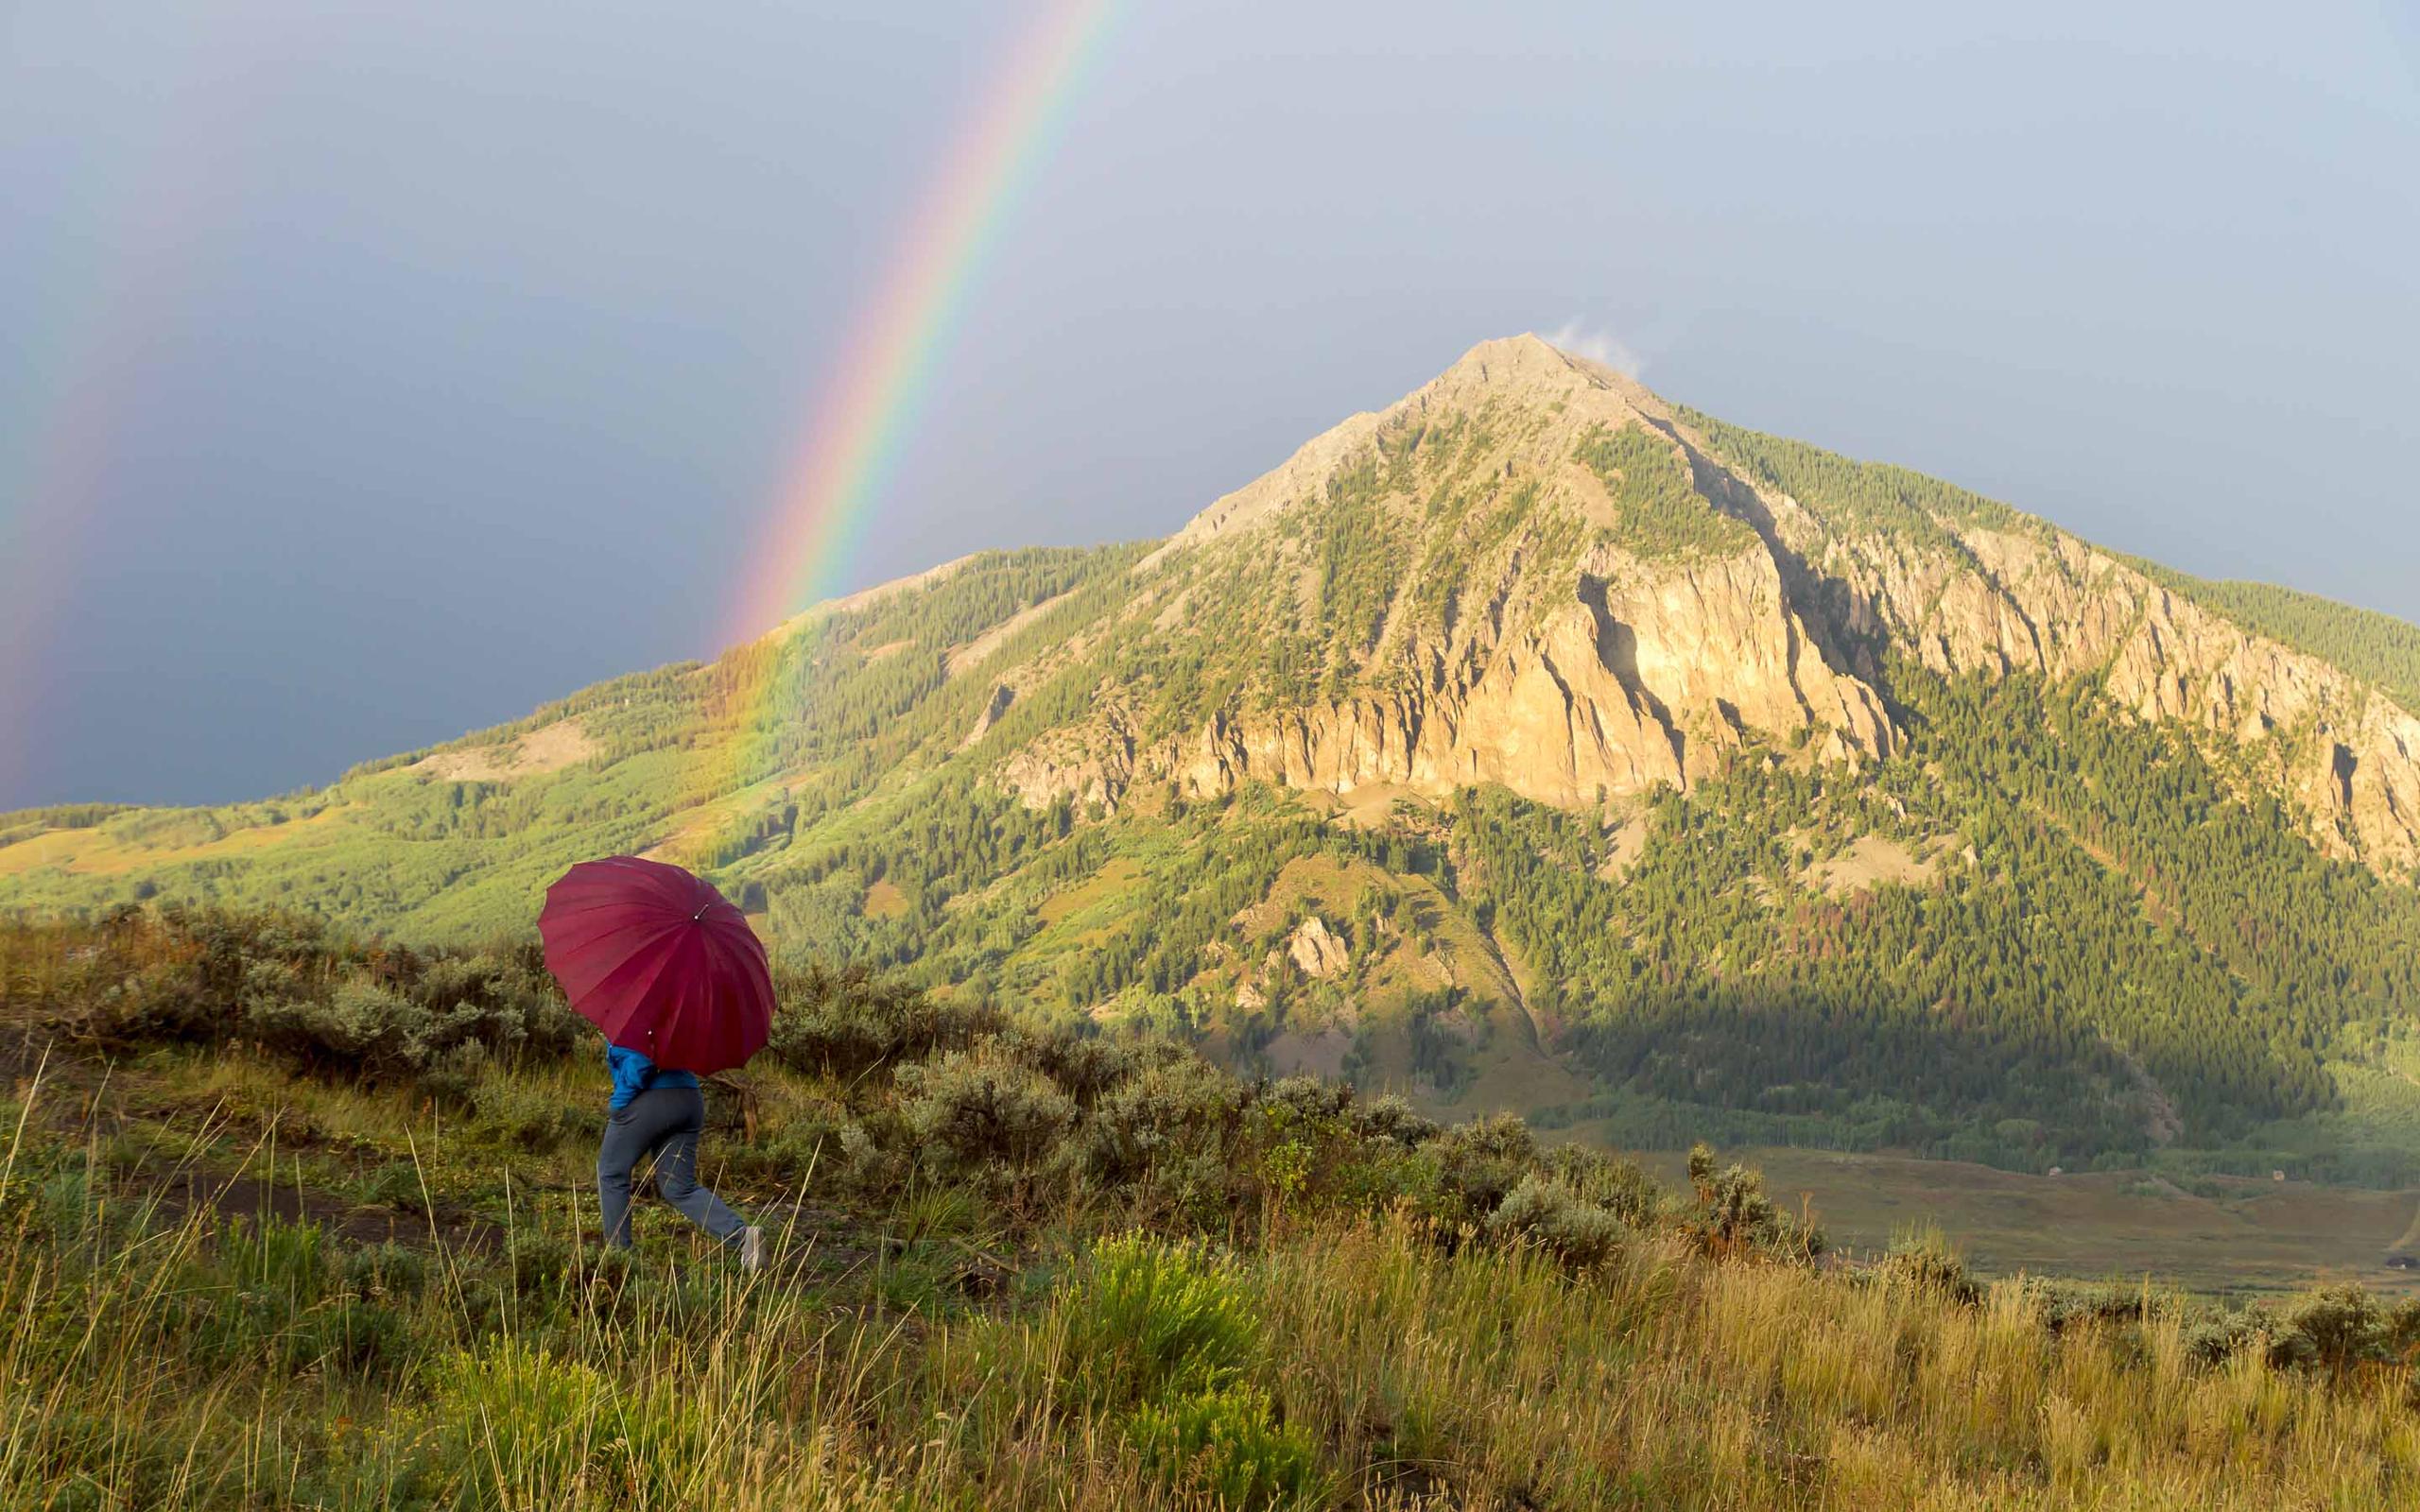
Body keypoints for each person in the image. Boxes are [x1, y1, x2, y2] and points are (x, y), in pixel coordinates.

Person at [598, 1040, 764, 1269]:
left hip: (652, 1099)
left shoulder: (638, 1020)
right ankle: (743, 1237)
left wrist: (619, 1105)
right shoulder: (670, 1019)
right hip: (688, 1098)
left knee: (611, 1173)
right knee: (679, 1187)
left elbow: (640, 1062)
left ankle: (619, 1259)